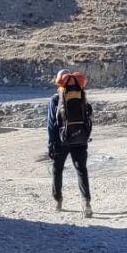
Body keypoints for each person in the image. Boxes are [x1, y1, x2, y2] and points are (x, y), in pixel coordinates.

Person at [47, 70, 93, 217]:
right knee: (81, 170)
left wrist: (51, 144)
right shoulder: (81, 95)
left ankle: (58, 201)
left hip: (62, 140)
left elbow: (51, 124)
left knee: (57, 169)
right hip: (80, 138)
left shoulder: (55, 99)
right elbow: (89, 117)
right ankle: (86, 203)